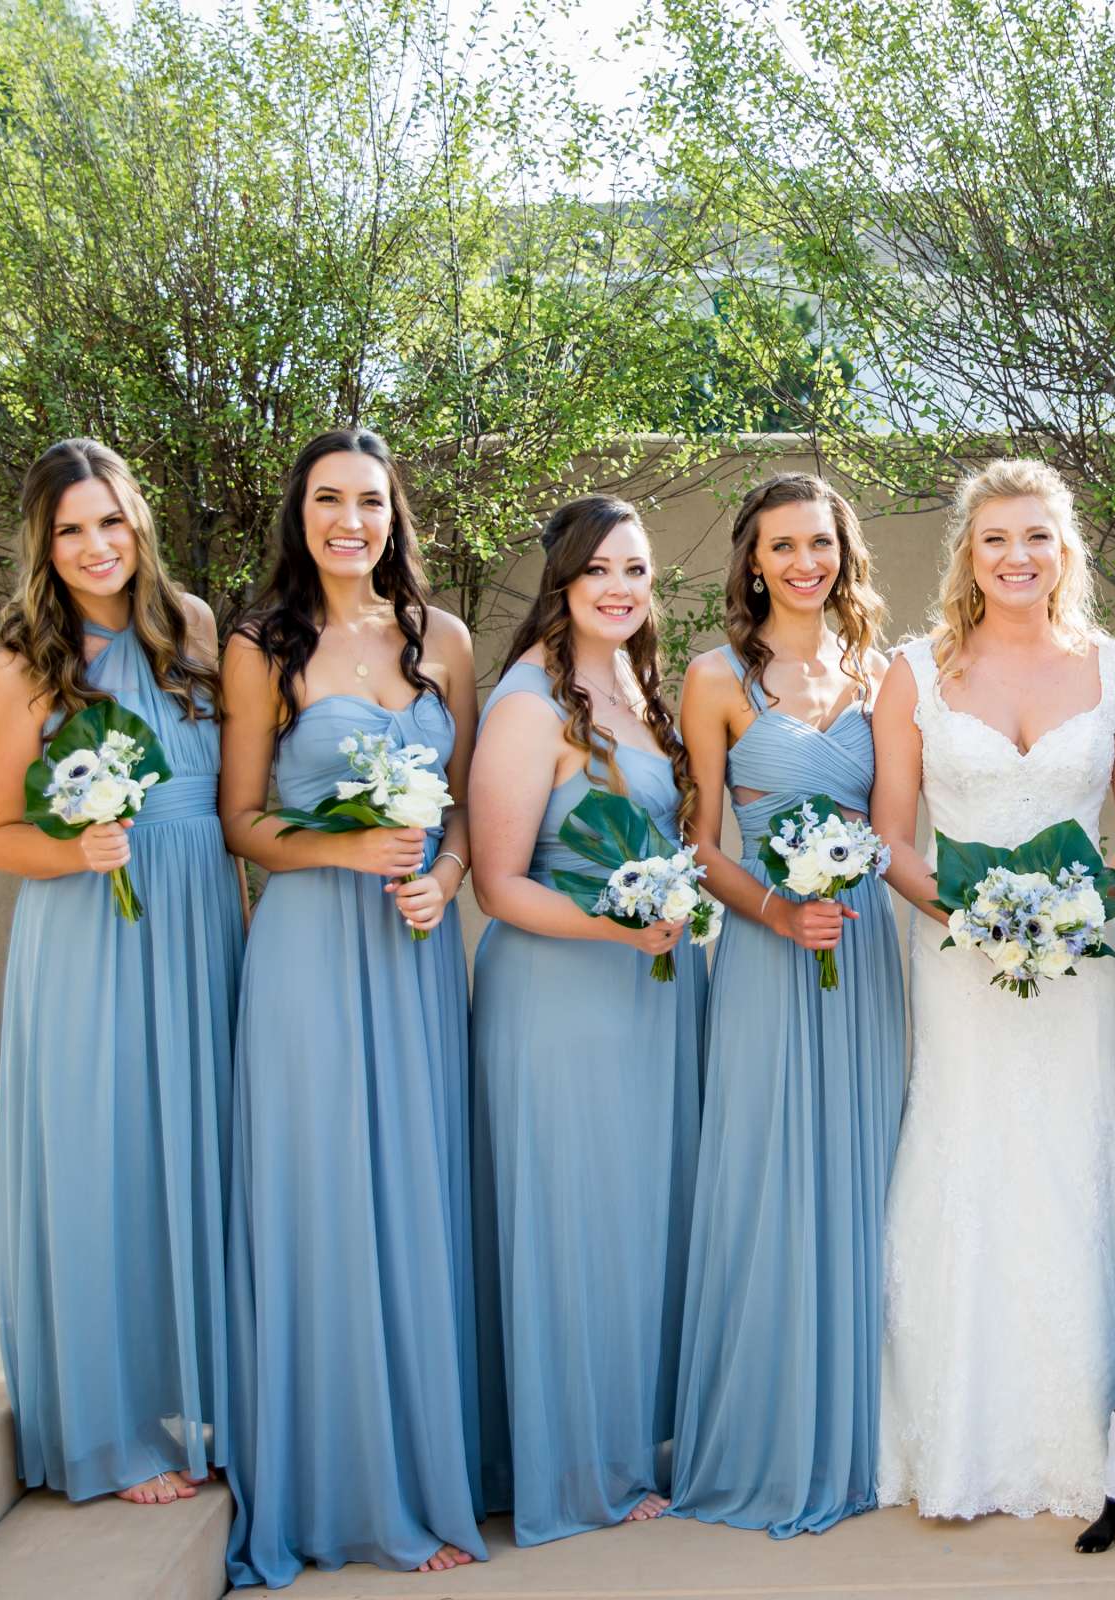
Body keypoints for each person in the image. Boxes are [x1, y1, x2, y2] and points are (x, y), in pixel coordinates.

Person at [869, 458, 1115, 1520]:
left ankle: (1098, 1433)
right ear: (967, 552)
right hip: (960, 965)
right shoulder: (915, 670)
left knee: (1074, 1149)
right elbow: (892, 838)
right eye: (995, 539)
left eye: (1037, 537)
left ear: (1065, 549)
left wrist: (1075, 917)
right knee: (970, 1151)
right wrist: (975, 919)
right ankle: (956, 1436)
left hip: (1078, 968)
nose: (1016, 557)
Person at [219, 428, 483, 1586]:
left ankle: (427, 1471)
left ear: (394, 516)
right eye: (329, 499)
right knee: (323, 1194)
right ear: (300, 511)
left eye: (370, 501)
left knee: (413, 1193)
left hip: (417, 950)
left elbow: (471, 807)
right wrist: (344, 849)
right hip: (311, 955)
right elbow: (241, 819)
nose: (350, 520)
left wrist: (443, 874)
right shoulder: (259, 645)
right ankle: (340, 1483)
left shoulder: (447, 643)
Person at [0, 438, 237, 1508]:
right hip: (91, 930)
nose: (95, 547)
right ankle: (117, 1431)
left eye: (111, 522)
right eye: (71, 529)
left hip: (199, 924)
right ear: (43, 542)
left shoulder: (197, 631)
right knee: (108, 1161)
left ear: (141, 522)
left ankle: (203, 1401)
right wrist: (78, 848)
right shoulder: (23, 667)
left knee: (198, 1153)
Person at [668, 475, 904, 1536]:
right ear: (751, 560)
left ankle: (864, 1432)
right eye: (783, 546)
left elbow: (893, 837)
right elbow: (701, 846)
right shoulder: (716, 677)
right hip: (769, 953)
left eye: (821, 543)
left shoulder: (884, 673)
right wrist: (772, 911)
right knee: (765, 1175)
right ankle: (766, 1433)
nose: (805, 561)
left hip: (861, 955)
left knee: (863, 1173)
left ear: (843, 553)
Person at [469, 496, 707, 1544]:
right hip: (563, 997)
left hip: (651, 998)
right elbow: (496, 884)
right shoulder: (530, 703)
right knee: (569, 1225)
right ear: (562, 580)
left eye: (638, 571)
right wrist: (620, 932)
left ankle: (620, 1439)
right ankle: (573, 1471)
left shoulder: (640, 688)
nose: (621, 587)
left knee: (633, 1225)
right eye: (601, 568)